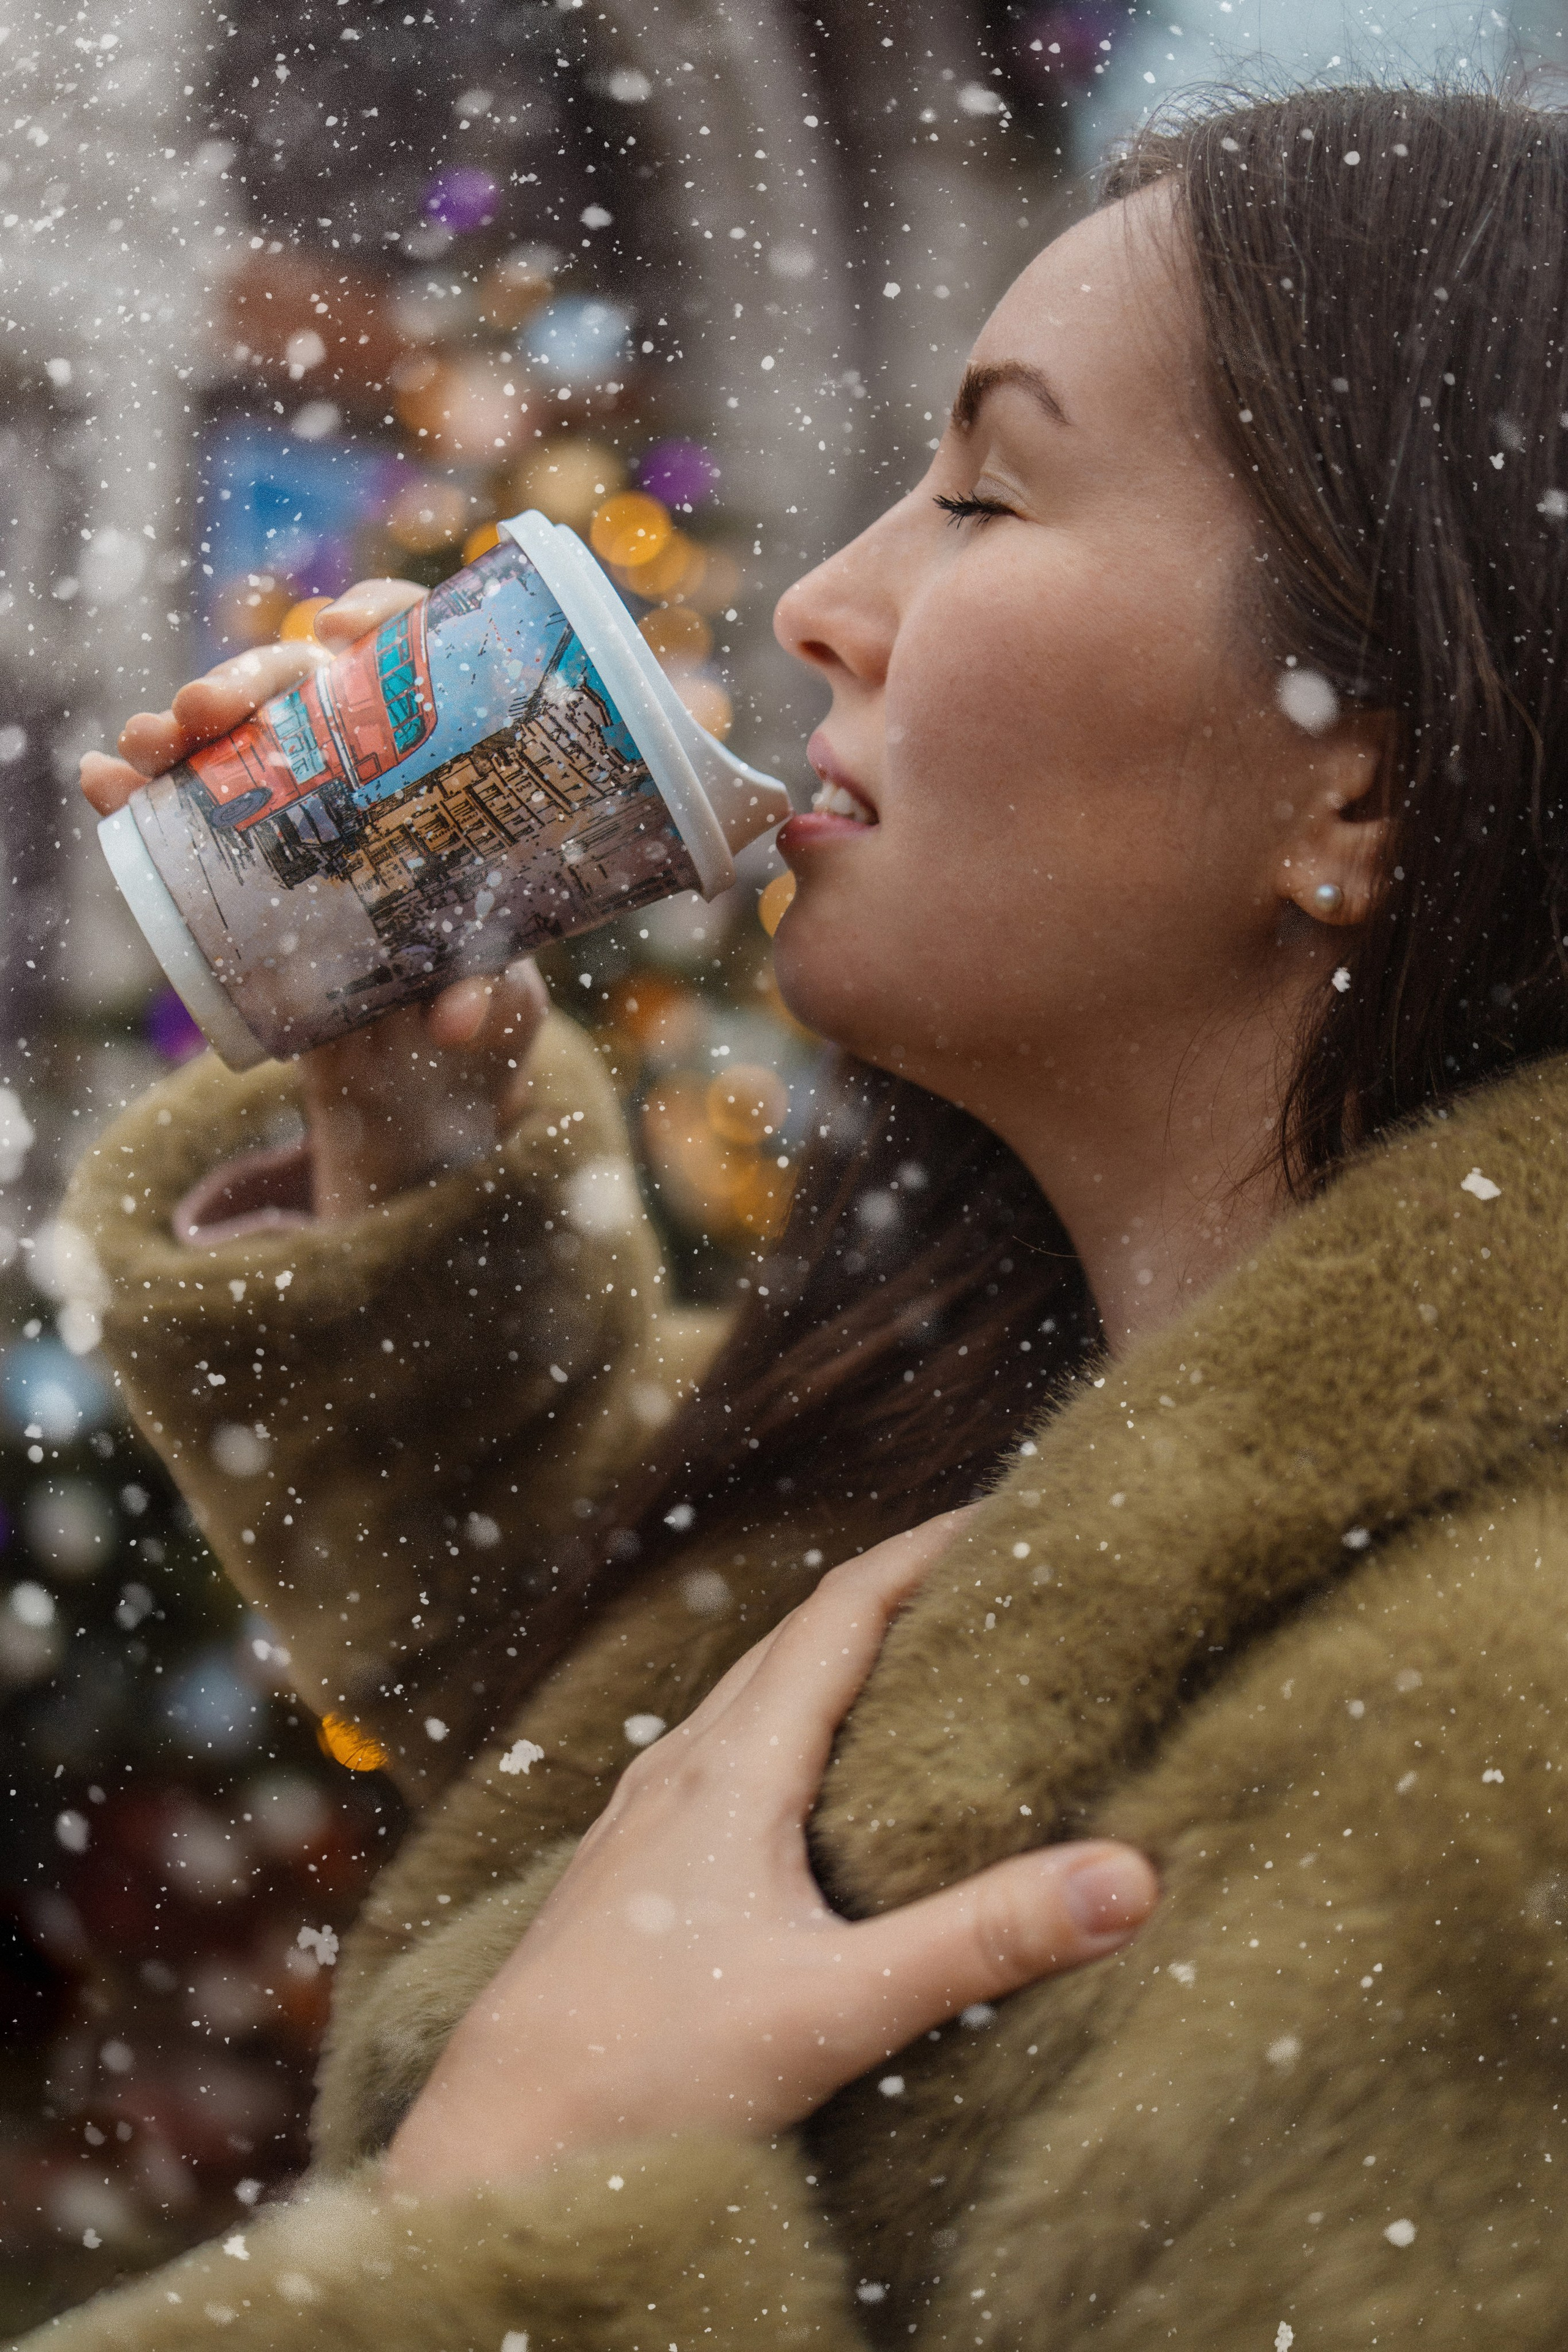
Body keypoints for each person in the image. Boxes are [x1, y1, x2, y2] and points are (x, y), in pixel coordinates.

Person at [38, 81, 1568, 2350]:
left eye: (988, 490)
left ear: (1364, 767)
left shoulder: (1484, 1803)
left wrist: (524, 2209)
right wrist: (409, 1137)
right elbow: (631, 1748)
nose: (832, 604)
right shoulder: (1047, 1427)